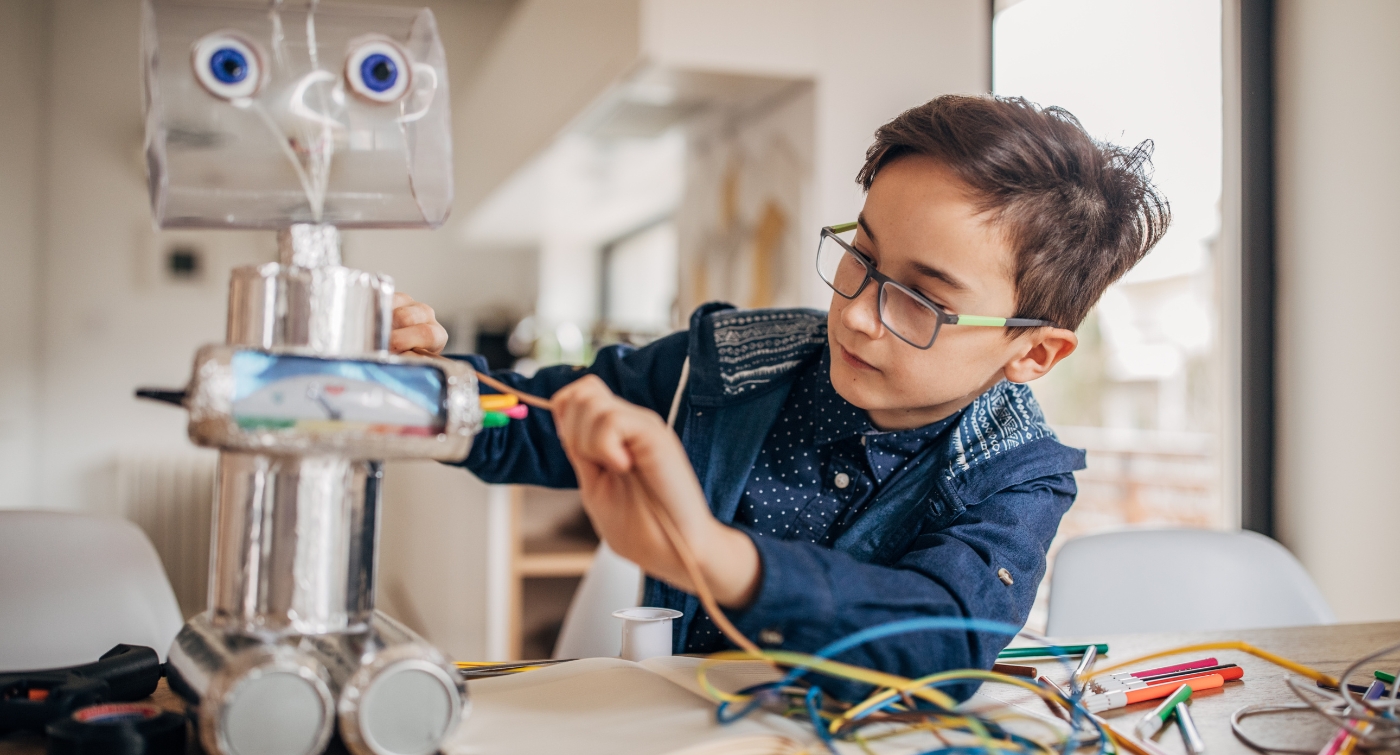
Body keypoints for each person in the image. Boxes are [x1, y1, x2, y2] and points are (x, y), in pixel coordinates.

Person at [390, 95, 1168, 697]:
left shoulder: (1018, 474)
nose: (858, 314)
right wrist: (431, 384)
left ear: (1033, 351)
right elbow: (531, 419)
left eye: (921, 301)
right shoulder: (726, 363)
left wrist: (714, 557)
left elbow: (942, 634)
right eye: (861, 256)